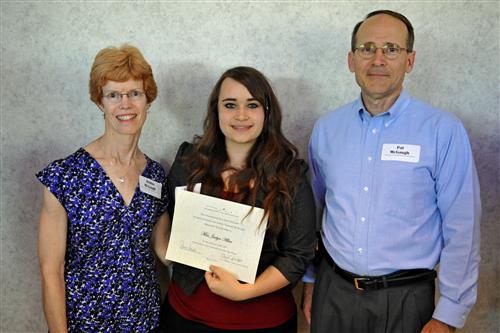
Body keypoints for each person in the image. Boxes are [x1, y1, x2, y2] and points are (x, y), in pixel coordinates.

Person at [302, 10, 481, 333]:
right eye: (367, 48)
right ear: (351, 60)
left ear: (409, 61)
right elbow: (314, 213)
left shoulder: (443, 131)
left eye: (391, 49)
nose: (378, 59)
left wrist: (448, 315)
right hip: (333, 293)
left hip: (406, 301)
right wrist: (311, 280)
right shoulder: (327, 129)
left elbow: (462, 227)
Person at [160, 66, 316, 332]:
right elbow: (167, 219)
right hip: (184, 318)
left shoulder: (290, 175)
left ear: (267, 112)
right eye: (230, 104)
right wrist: (167, 253)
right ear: (216, 110)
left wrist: (245, 291)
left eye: (252, 105)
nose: (241, 115)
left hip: (264, 323)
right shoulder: (188, 162)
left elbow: (298, 254)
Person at [37, 45, 171, 332]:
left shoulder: (156, 176)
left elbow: (164, 250)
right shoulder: (64, 176)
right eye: (113, 95)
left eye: (134, 93)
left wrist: (217, 246)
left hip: (145, 322)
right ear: (100, 102)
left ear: (148, 99)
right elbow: (51, 271)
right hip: (83, 324)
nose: (125, 104)